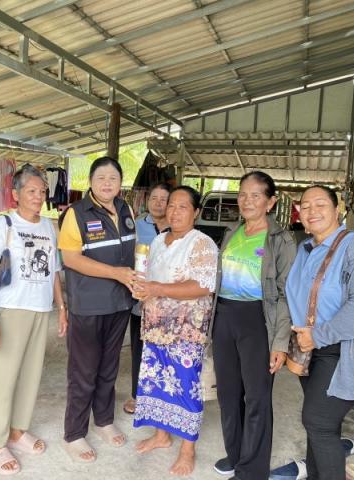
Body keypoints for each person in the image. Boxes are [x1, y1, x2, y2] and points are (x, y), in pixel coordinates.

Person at [286, 185, 354, 480]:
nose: (312, 211)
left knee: (318, 422)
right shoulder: (306, 249)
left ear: (337, 209)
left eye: (320, 204)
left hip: (341, 350)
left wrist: (317, 336)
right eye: (305, 206)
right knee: (321, 426)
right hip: (309, 349)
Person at [0, 165, 67, 475]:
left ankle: (18, 432)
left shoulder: (48, 227)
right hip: (11, 309)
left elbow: (54, 271)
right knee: (4, 379)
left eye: (42, 191)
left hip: (40, 309)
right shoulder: (4, 224)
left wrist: (61, 307)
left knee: (31, 376)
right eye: (31, 191)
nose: (38, 196)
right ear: (15, 194)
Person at [211, 171, 296, 480]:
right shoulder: (232, 231)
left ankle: (252, 470)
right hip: (224, 316)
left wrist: (280, 342)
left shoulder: (281, 240)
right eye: (243, 194)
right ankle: (236, 455)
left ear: (270, 202)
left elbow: (287, 294)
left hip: (258, 320)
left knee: (257, 396)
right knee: (228, 393)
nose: (247, 201)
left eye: (256, 195)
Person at [132, 186, 218, 477]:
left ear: (196, 212)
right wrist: (142, 288)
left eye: (183, 207)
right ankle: (161, 436)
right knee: (156, 381)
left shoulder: (202, 243)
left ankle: (187, 449)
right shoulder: (158, 240)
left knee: (185, 387)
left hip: (185, 331)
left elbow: (203, 286)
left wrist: (156, 288)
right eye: (171, 205)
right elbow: (149, 277)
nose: (175, 211)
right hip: (156, 327)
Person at [58, 156, 137, 462]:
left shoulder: (126, 209)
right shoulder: (76, 213)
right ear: (90, 182)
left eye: (113, 178)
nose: (107, 183)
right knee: (84, 371)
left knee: (109, 367)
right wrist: (116, 273)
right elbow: (71, 259)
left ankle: (103, 420)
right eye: (101, 178)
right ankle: (74, 433)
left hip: (119, 303)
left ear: (120, 183)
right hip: (89, 305)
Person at [123, 183, 171, 415]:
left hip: (169, 302)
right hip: (140, 301)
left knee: (165, 350)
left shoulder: (177, 227)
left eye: (163, 199)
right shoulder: (137, 225)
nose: (158, 203)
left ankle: (162, 396)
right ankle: (137, 395)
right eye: (154, 198)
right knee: (139, 349)